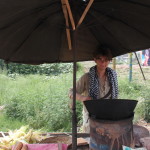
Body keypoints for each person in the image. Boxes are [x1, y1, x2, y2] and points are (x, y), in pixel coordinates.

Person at [69, 45, 118, 133]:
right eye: (100, 59)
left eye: (106, 60)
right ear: (94, 59)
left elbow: (114, 96)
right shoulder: (87, 77)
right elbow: (71, 92)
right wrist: (83, 98)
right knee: (91, 142)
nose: (103, 63)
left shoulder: (113, 77)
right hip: (91, 117)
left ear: (110, 60)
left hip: (108, 116)